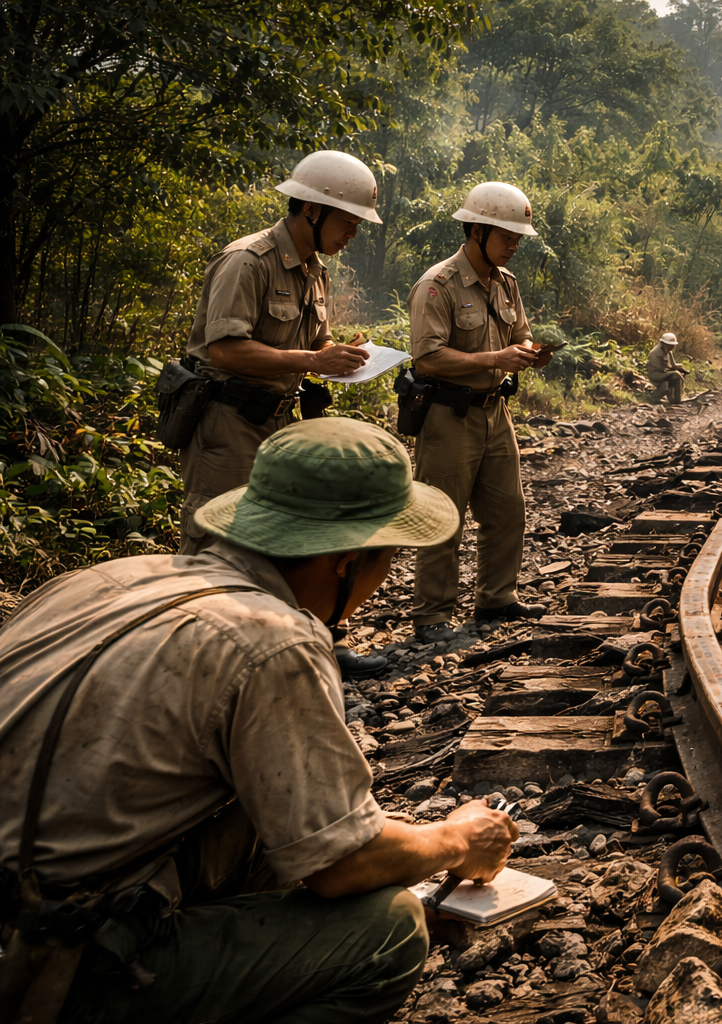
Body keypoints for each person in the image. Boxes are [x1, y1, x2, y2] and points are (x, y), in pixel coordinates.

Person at [0, 419, 517, 1023]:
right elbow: (340, 864)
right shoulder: (272, 640)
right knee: (390, 933)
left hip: (25, 898)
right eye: (389, 561)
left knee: (270, 811)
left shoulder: (105, 579)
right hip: (41, 957)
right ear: (347, 561)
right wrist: (457, 840)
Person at [173, 149, 382, 678]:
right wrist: (314, 359)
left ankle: (289, 646)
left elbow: (315, 341)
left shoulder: (314, 271)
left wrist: (341, 356)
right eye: (349, 222)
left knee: (286, 535)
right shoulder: (247, 260)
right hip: (228, 421)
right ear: (312, 210)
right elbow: (224, 350)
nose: (353, 234)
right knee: (216, 538)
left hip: (277, 422)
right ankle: (198, 663)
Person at [407, 181, 552, 644]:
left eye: (517, 238)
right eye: (506, 236)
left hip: (495, 412)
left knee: (508, 510)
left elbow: (522, 333)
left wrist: (527, 351)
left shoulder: (506, 283)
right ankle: (432, 616)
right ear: (476, 230)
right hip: (449, 415)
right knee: (442, 516)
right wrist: (495, 359)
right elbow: (427, 358)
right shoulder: (439, 285)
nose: (514, 245)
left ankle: (496, 598)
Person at [646, 332, 687, 403]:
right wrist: (675, 371)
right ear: (663, 343)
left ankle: (676, 399)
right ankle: (653, 396)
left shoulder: (668, 352)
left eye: (672, 346)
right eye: (669, 345)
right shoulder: (656, 352)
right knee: (676, 374)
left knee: (676, 377)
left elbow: (673, 365)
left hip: (662, 373)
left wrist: (681, 368)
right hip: (655, 374)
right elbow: (661, 367)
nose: (671, 347)